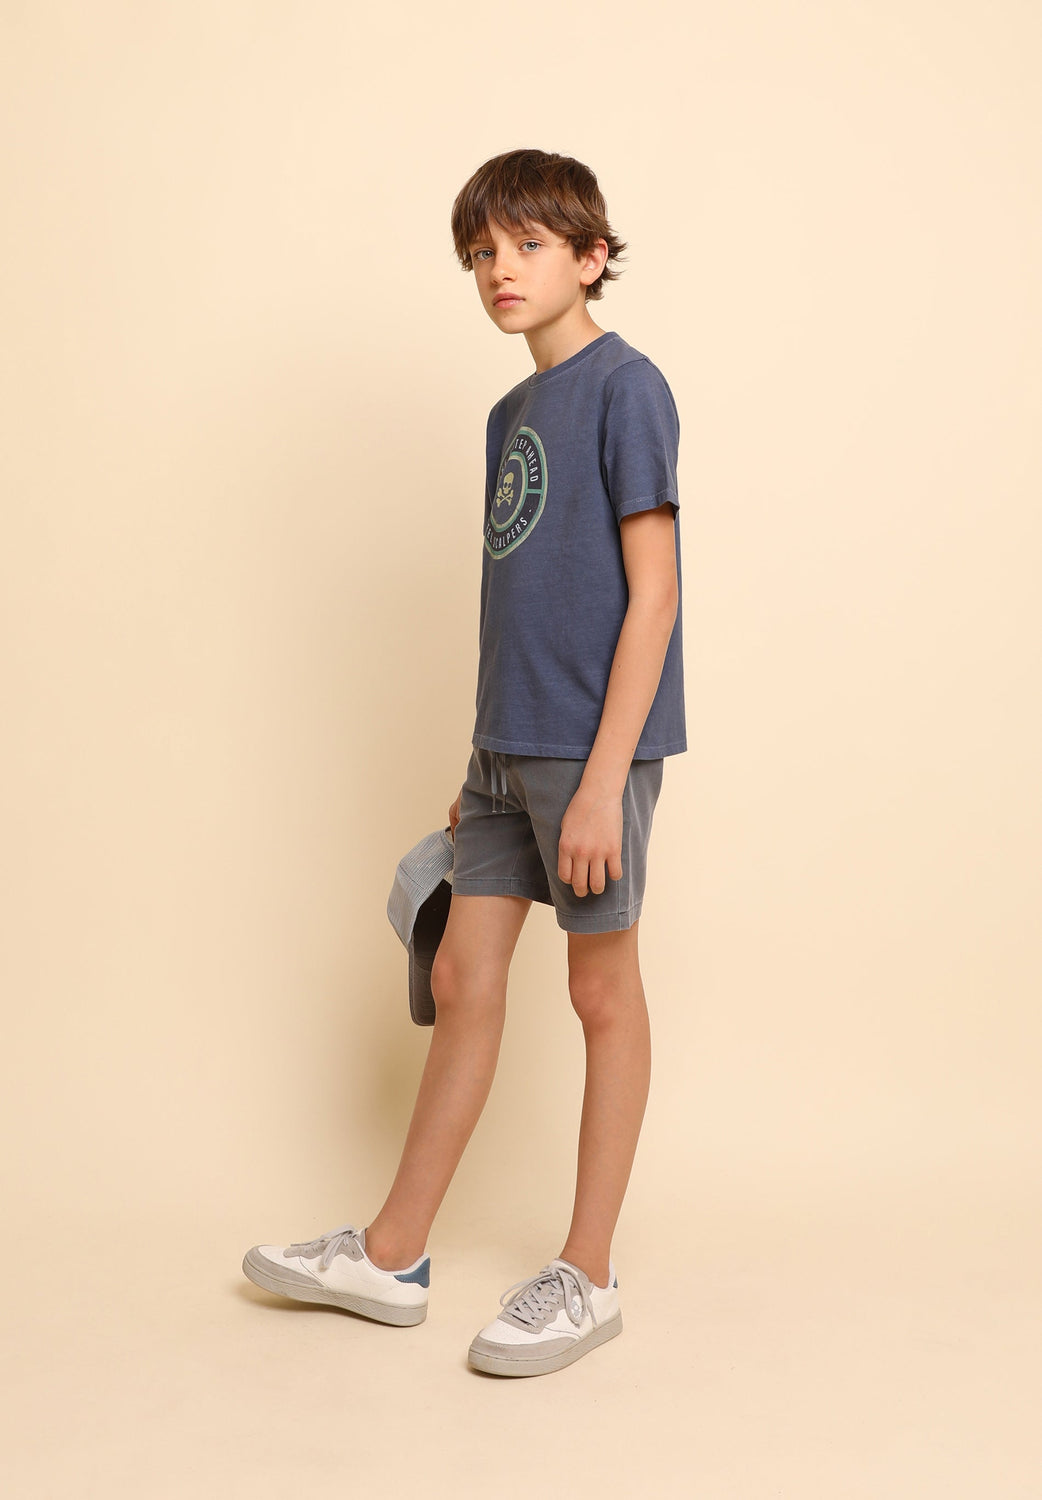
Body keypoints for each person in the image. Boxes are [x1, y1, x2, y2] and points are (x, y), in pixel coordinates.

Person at [243, 147, 686, 1378]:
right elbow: (521, 598)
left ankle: (587, 1273)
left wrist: (599, 780)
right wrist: (480, 754)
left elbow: (651, 596)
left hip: (590, 752)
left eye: (528, 245)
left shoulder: (627, 387)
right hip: (503, 751)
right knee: (460, 974)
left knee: (600, 994)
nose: (500, 269)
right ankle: (391, 1256)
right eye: (482, 252)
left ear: (591, 256)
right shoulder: (508, 416)